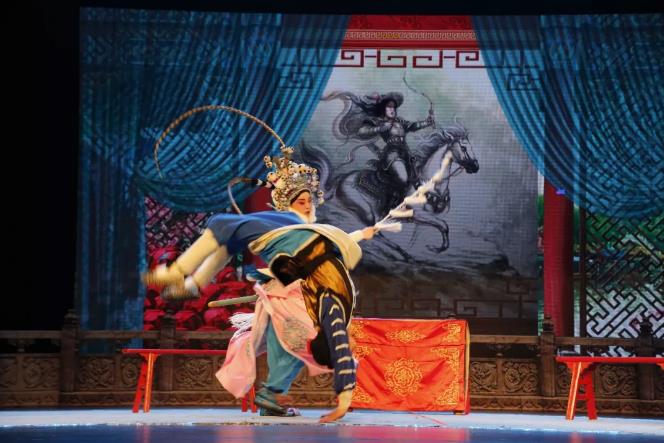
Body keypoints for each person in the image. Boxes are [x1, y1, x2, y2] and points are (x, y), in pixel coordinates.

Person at [143, 146, 376, 422]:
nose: (308, 205)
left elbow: (340, 352)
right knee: (224, 226)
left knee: (289, 342)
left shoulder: (319, 322)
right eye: (302, 201)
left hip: (292, 291)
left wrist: (341, 404)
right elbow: (342, 352)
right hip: (293, 246)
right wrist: (361, 234)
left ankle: (272, 396)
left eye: (308, 201)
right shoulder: (330, 304)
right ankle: (184, 275)